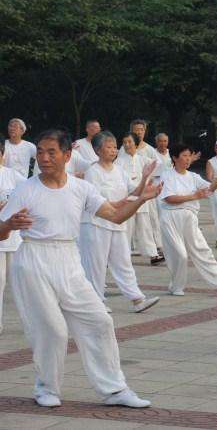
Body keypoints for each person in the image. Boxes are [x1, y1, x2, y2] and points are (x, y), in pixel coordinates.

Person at [0, 129, 155, 408]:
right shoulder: (26, 188)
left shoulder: (80, 188)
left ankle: (114, 389)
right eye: (41, 153)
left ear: (67, 155)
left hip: (69, 258)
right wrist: (9, 225)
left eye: (51, 152)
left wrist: (142, 199)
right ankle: (47, 387)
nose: (44, 158)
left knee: (99, 320)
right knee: (52, 329)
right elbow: (0, 230)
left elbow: (116, 216)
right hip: (34, 260)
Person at [79, 131, 160, 313]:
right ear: (98, 150)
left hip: (117, 224)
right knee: (96, 265)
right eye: (109, 147)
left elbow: (135, 192)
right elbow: (98, 201)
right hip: (95, 224)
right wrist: (123, 203)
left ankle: (137, 299)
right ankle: (96, 302)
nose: (114, 150)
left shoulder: (119, 171)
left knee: (123, 262)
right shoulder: (93, 172)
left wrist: (145, 178)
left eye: (115, 147)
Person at [159, 143, 217, 297]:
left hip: (190, 217)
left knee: (203, 250)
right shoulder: (167, 175)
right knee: (180, 254)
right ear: (175, 158)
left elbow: (211, 188)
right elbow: (169, 198)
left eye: (189, 156)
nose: (187, 159)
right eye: (184, 155)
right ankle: (176, 286)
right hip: (170, 217)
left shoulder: (193, 177)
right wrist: (193, 196)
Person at [116, 133, 164, 265]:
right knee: (126, 229)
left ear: (136, 144)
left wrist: (151, 179)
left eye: (130, 142)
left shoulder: (143, 159)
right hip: (127, 198)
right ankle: (122, 256)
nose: (127, 145)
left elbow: (159, 163)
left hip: (142, 197)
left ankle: (153, 254)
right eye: (124, 142)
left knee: (145, 227)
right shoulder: (119, 161)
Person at [0, 142, 26, 333]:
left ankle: (30, 322)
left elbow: (28, 193)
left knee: (20, 283)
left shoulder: (12, 175)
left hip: (14, 239)